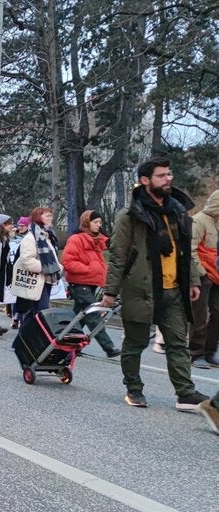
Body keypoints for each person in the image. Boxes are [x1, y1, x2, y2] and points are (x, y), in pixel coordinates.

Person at [101, 157, 210, 411]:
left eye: (169, 174)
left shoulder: (177, 211)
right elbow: (119, 256)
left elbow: (185, 250)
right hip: (141, 289)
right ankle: (134, 389)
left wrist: (193, 280)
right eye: (162, 175)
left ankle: (185, 392)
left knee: (177, 344)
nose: (168, 179)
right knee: (135, 343)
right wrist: (110, 292)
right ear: (145, 181)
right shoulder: (129, 216)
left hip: (174, 290)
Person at [61, 210, 120, 358]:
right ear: (87, 222)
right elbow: (68, 262)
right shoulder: (76, 239)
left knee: (80, 316)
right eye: (95, 222)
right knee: (93, 314)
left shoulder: (95, 240)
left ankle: (69, 343)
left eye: (100, 222)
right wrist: (89, 270)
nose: (98, 225)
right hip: (80, 282)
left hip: (90, 282)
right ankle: (108, 347)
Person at [12, 207, 62, 342]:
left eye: (51, 215)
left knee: (35, 313)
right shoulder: (31, 237)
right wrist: (47, 268)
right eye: (47, 216)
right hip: (38, 279)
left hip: (46, 279)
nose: (50, 218)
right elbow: (26, 260)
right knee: (43, 313)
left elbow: (52, 258)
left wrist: (57, 268)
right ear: (38, 217)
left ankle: (20, 341)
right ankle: (48, 344)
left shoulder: (47, 236)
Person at [189, 189, 219, 369]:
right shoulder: (198, 220)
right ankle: (195, 353)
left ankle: (209, 352)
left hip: (217, 274)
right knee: (199, 315)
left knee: (217, 313)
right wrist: (201, 273)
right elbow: (190, 249)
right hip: (203, 275)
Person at [6, 216, 31, 328]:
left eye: (23, 225)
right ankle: (15, 318)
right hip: (13, 267)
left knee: (23, 296)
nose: (20, 227)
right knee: (14, 295)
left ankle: (21, 318)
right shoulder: (12, 237)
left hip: (26, 269)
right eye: (19, 225)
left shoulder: (29, 238)